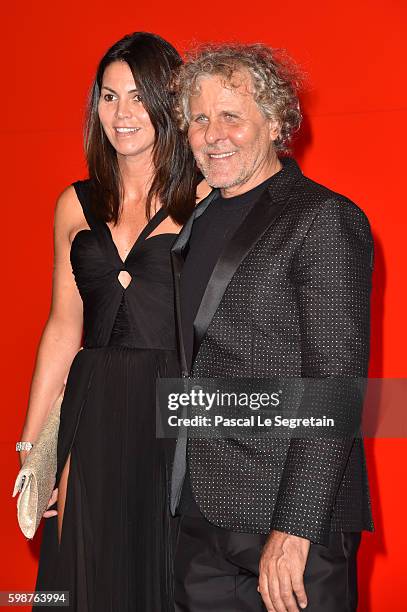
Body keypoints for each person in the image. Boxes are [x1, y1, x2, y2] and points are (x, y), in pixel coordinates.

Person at [170, 44, 374, 611]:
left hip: (287, 521)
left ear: (278, 121)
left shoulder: (322, 217)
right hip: (198, 519)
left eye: (231, 116)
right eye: (199, 119)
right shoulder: (194, 222)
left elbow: (334, 385)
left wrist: (294, 530)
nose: (213, 134)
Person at [17, 32, 199, 611]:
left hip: (173, 413)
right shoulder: (74, 204)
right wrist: (31, 451)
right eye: (109, 96)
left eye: (138, 96)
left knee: (164, 577)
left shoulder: (204, 199)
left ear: (171, 103)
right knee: (86, 577)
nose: (123, 114)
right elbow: (62, 328)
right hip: (90, 411)